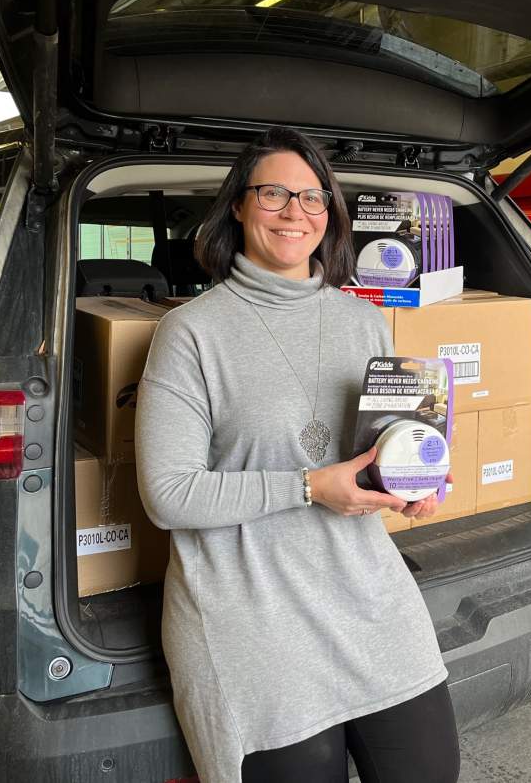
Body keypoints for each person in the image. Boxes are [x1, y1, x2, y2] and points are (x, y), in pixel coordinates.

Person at [135, 126, 461, 782]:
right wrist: (311, 487)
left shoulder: (363, 319)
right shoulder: (191, 333)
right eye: (275, 193)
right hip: (253, 615)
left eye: (314, 198)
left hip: (368, 596)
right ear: (239, 205)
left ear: (331, 215)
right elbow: (167, 494)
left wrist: (412, 480)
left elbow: (371, 454)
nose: (296, 213)